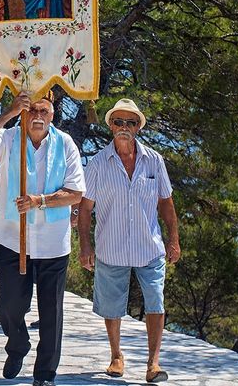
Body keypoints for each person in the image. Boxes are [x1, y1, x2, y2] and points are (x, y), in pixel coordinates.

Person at [0, 92, 85, 386]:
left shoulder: (66, 144)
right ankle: (18, 344)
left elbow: (75, 193)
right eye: (31, 110)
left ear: (52, 113)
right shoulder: (10, 138)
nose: (37, 116)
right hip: (12, 237)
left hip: (52, 242)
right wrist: (9, 113)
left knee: (51, 311)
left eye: (43, 110)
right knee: (7, 304)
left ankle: (45, 374)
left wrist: (39, 201)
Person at [78, 99, 180, 384]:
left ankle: (153, 363)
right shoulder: (98, 164)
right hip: (111, 248)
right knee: (111, 307)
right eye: (119, 122)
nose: (124, 127)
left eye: (130, 122)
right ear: (111, 126)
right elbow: (85, 209)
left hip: (149, 247)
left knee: (156, 302)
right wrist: (85, 246)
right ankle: (116, 355)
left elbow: (166, 202)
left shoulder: (154, 160)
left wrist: (173, 239)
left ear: (138, 127)